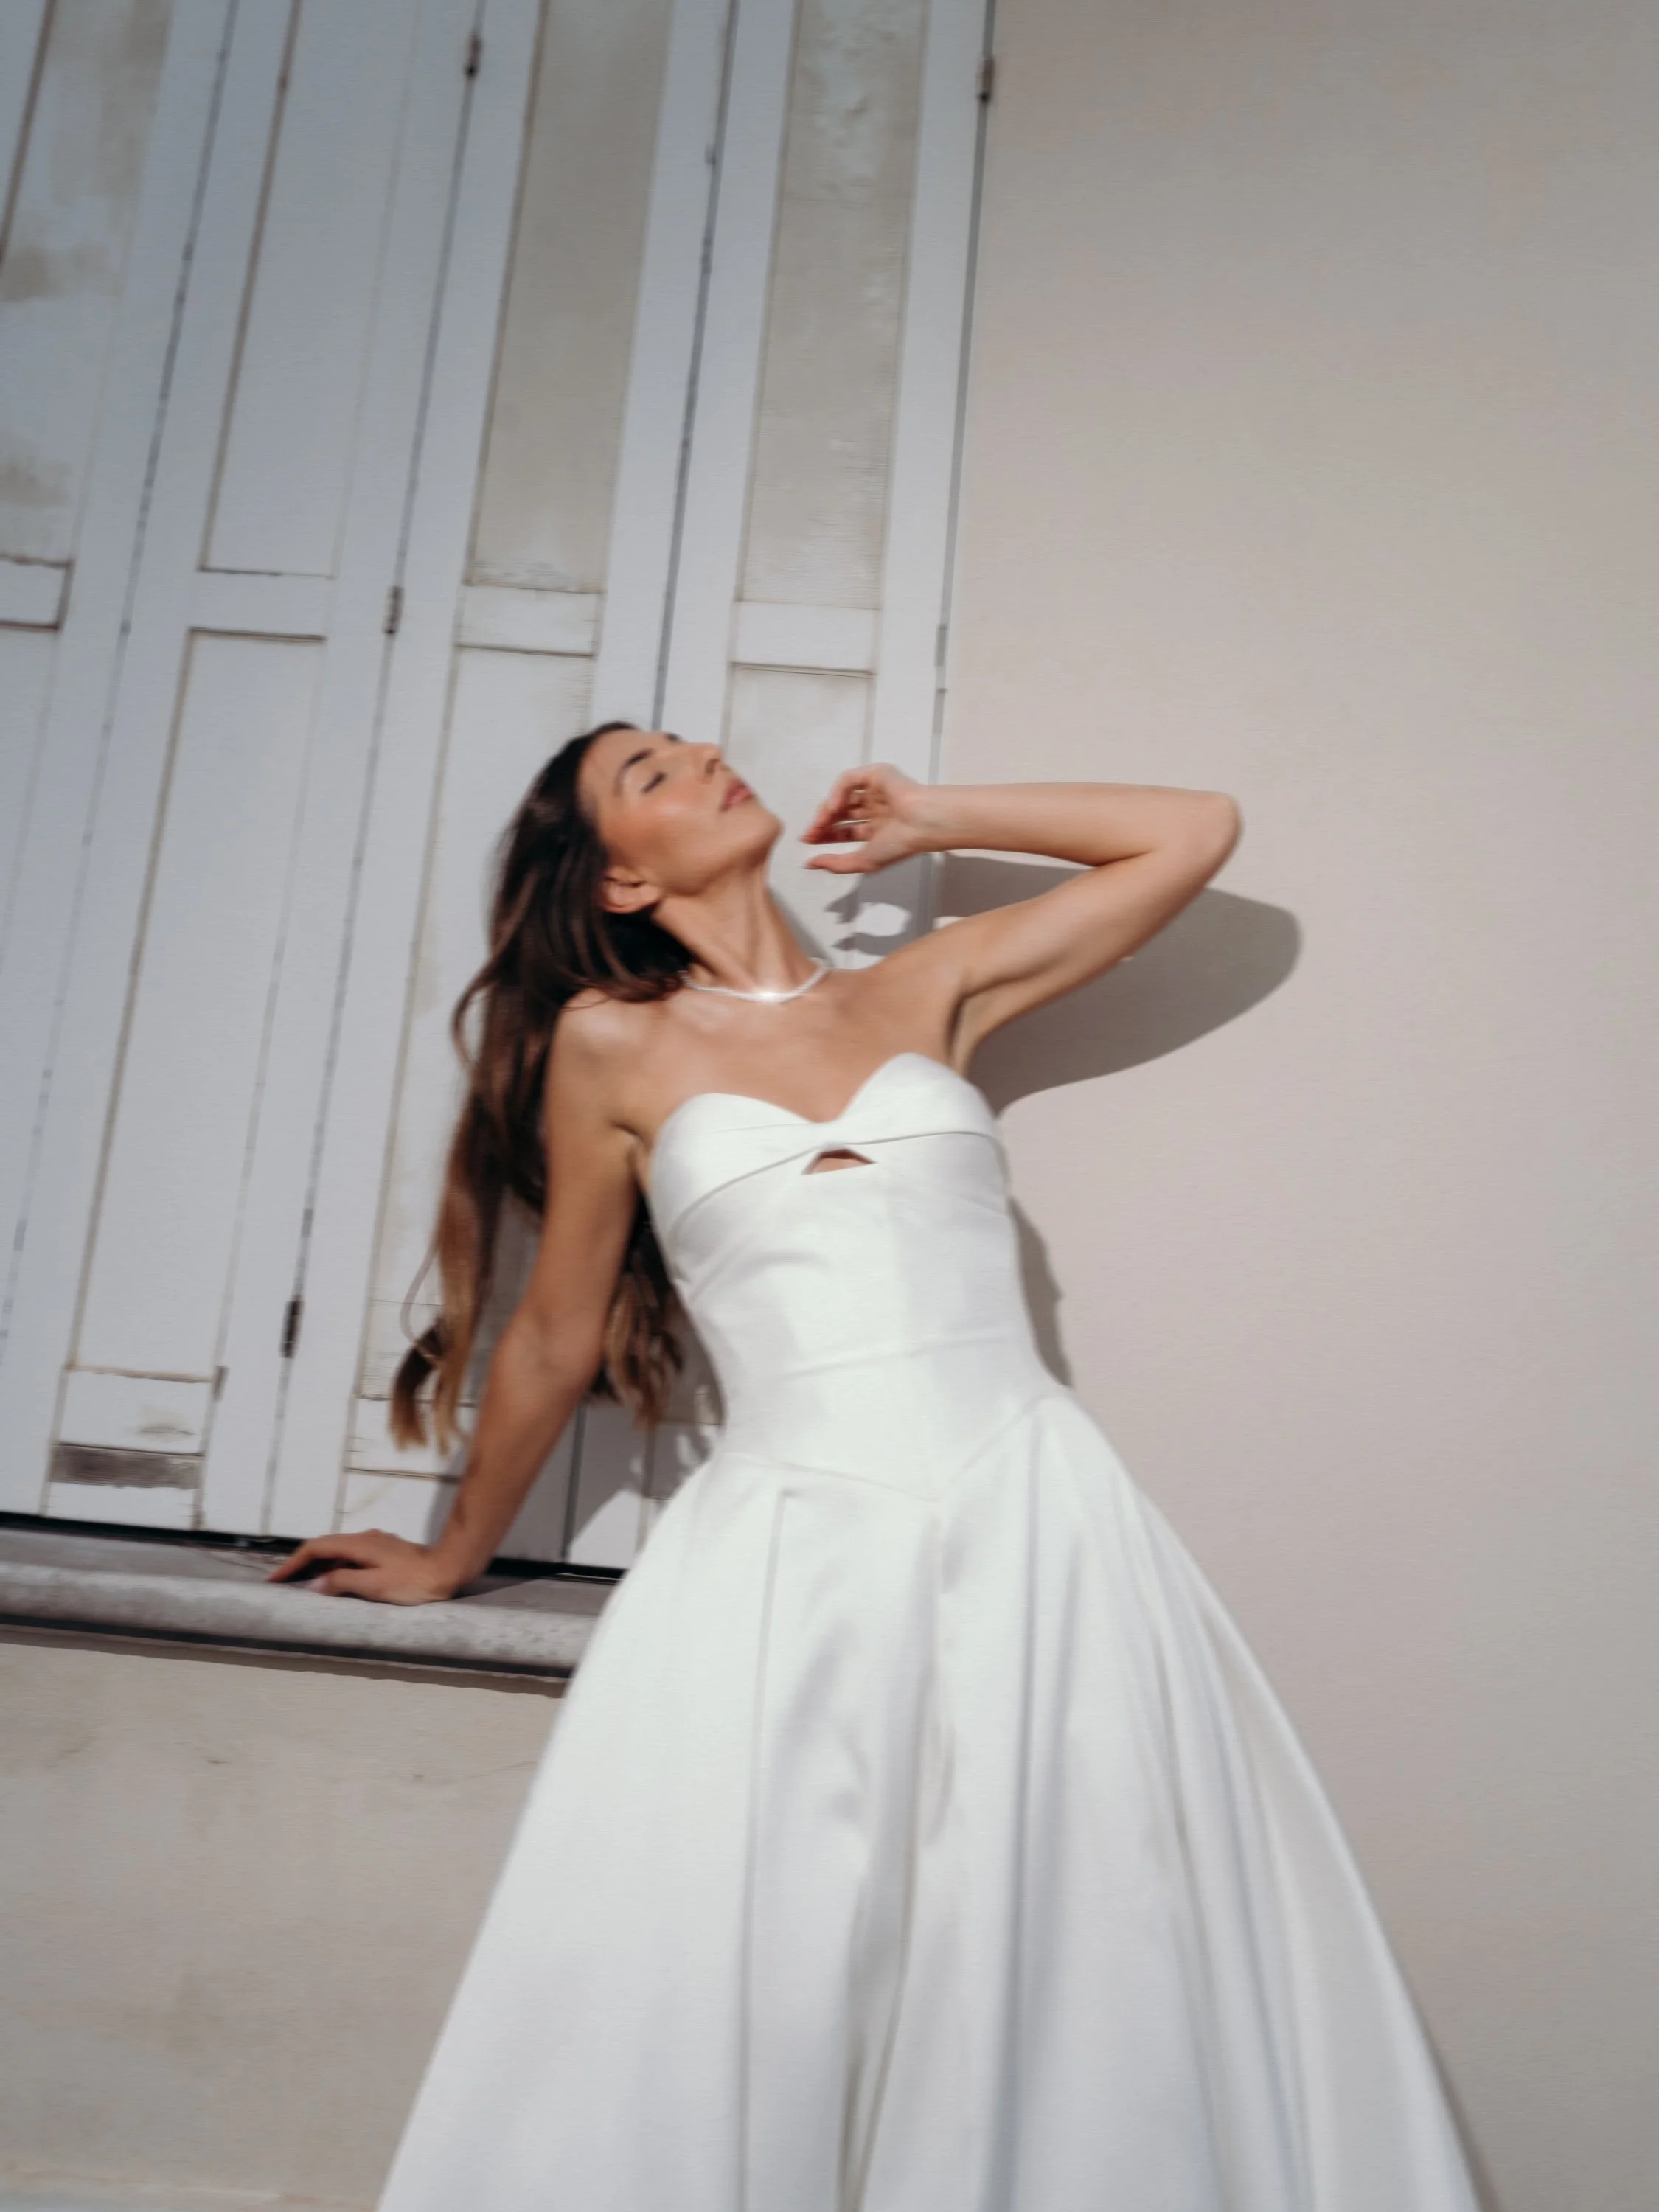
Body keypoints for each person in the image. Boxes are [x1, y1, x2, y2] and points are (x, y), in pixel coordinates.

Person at [271, 724, 1481, 2211]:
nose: (701, 756)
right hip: (795, 1550)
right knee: (782, 1958)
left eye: (685, 741)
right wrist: (453, 1554)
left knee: (1075, 1925)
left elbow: (1195, 826)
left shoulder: (928, 984)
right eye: (649, 774)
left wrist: (935, 818)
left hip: (1034, 1516)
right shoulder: (609, 1043)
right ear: (623, 881)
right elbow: (556, 1331)